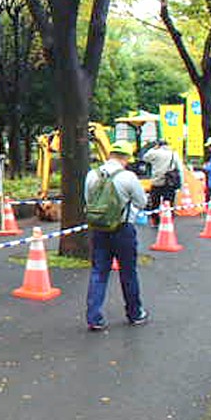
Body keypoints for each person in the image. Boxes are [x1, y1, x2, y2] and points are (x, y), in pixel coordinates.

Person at [84, 141, 149, 331]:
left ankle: (94, 318)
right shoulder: (128, 177)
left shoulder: (92, 174)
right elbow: (142, 202)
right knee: (128, 272)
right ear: (126, 158)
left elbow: (88, 200)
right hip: (123, 229)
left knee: (99, 272)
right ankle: (134, 313)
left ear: (110, 154)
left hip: (99, 229)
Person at [142, 140, 184, 226]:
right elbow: (180, 169)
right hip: (170, 182)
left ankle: (155, 221)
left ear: (158, 145)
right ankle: (168, 220)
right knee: (169, 202)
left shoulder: (154, 153)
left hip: (156, 181)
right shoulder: (173, 154)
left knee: (155, 202)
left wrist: (153, 148)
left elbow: (144, 158)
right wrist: (181, 184)